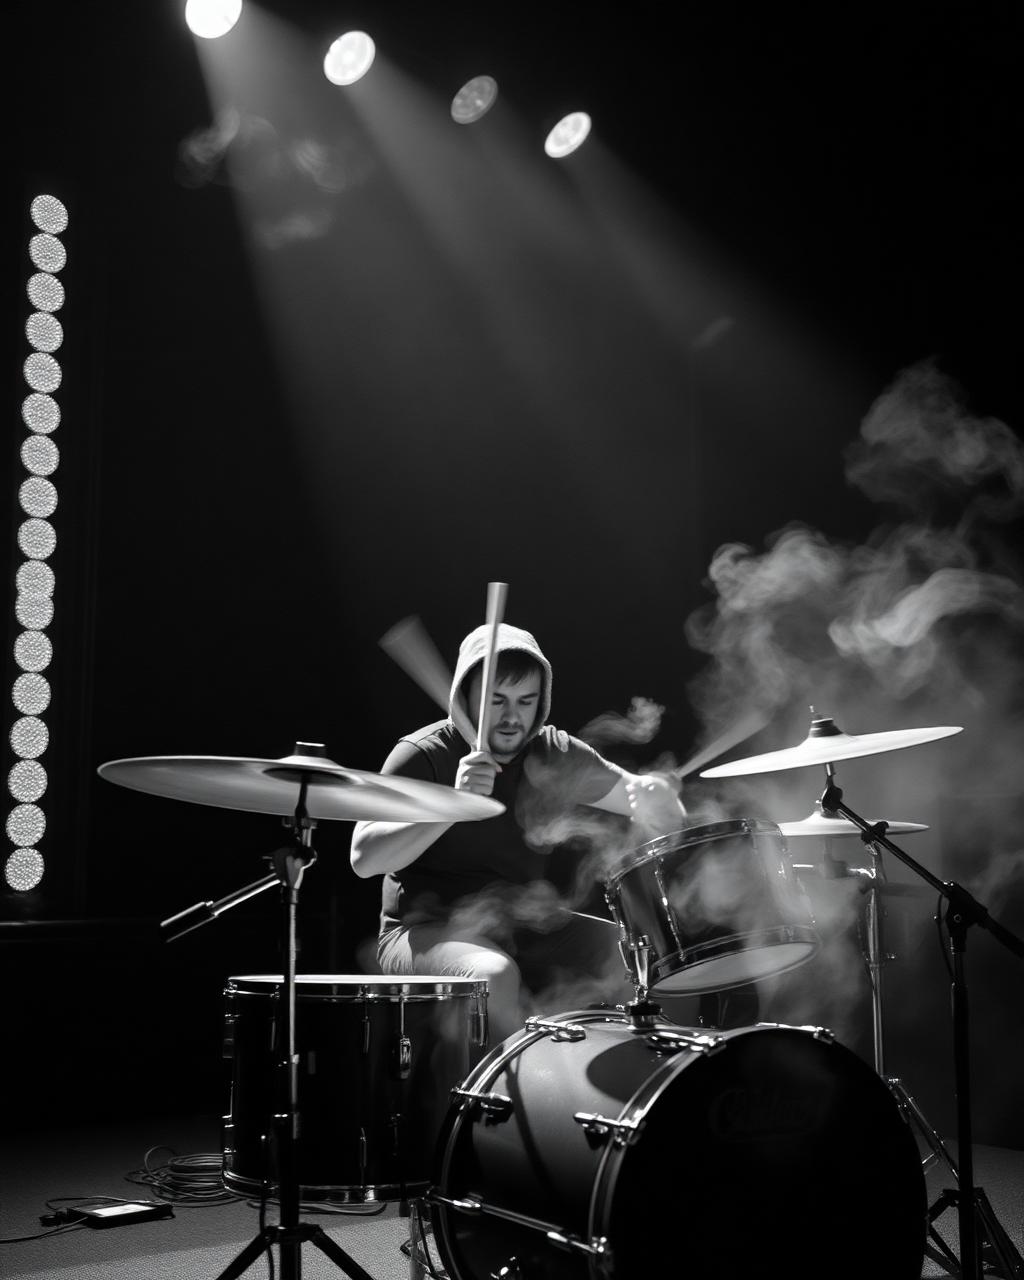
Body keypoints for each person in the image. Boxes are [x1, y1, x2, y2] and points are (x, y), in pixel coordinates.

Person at [350, 622, 685, 1042]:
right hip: (419, 931)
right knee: (493, 973)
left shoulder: (552, 751)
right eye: (497, 701)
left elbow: (641, 800)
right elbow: (364, 860)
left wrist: (658, 796)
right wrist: (454, 803)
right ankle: (507, 1105)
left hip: (523, 925)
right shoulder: (424, 754)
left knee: (632, 954)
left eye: (526, 701)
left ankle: (609, 1093)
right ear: (466, 699)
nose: (512, 717)